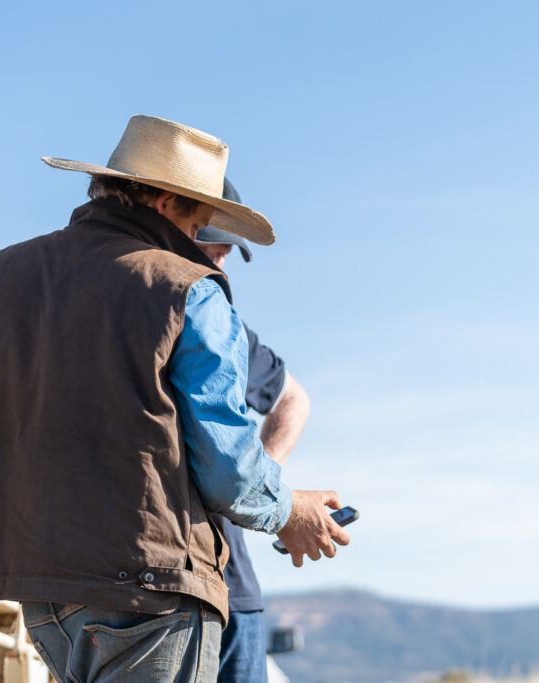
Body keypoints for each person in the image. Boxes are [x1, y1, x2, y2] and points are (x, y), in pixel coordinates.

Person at [0, 115, 349, 683]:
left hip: (38, 592)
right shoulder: (192, 293)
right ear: (166, 203)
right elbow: (229, 470)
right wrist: (289, 510)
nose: (200, 246)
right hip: (149, 585)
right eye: (198, 224)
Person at [195, 182, 311, 682]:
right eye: (212, 248)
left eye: (225, 253)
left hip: (229, 584)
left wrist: (259, 478)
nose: (220, 263)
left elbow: (293, 400)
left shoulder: (228, 330)